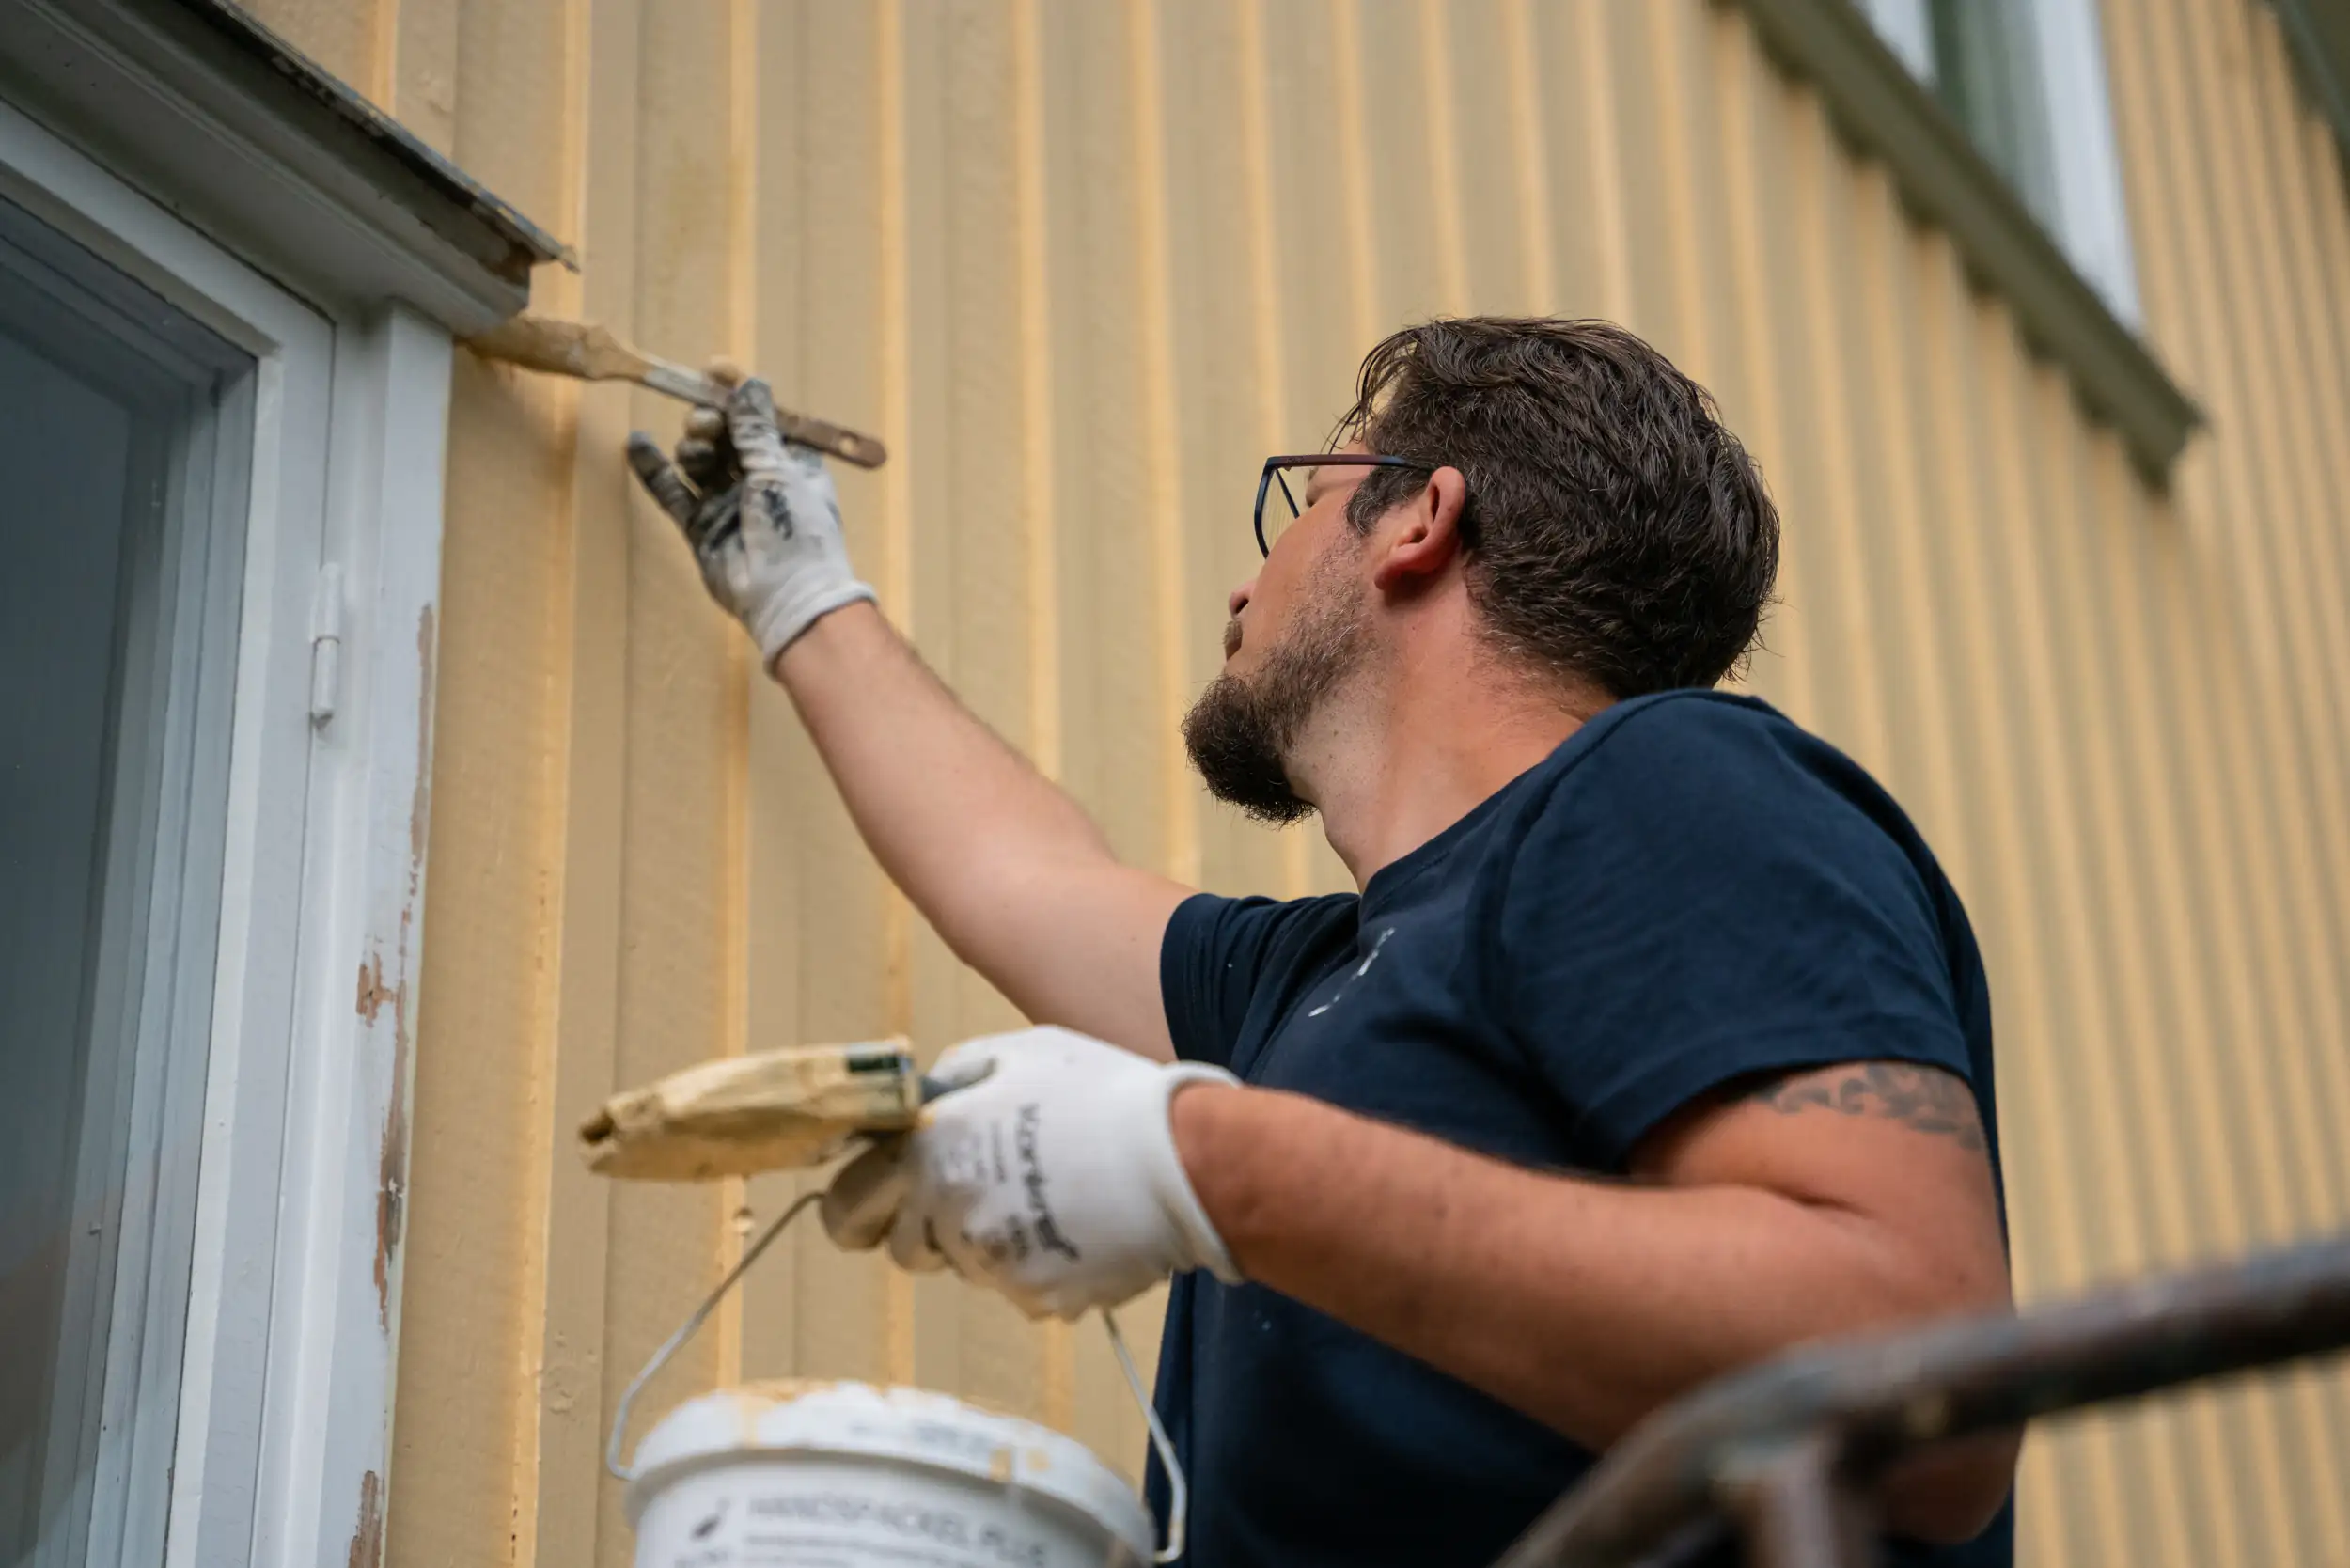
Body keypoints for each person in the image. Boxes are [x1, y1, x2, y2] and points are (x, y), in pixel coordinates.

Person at [626, 317, 2017, 1568]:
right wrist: (802, 594)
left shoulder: (1671, 784)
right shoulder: (1317, 989)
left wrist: (1200, 1157)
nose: (1246, 586)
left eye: (1303, 501)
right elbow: (1022, 875)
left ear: (1420, 519)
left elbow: (1917, 1384)